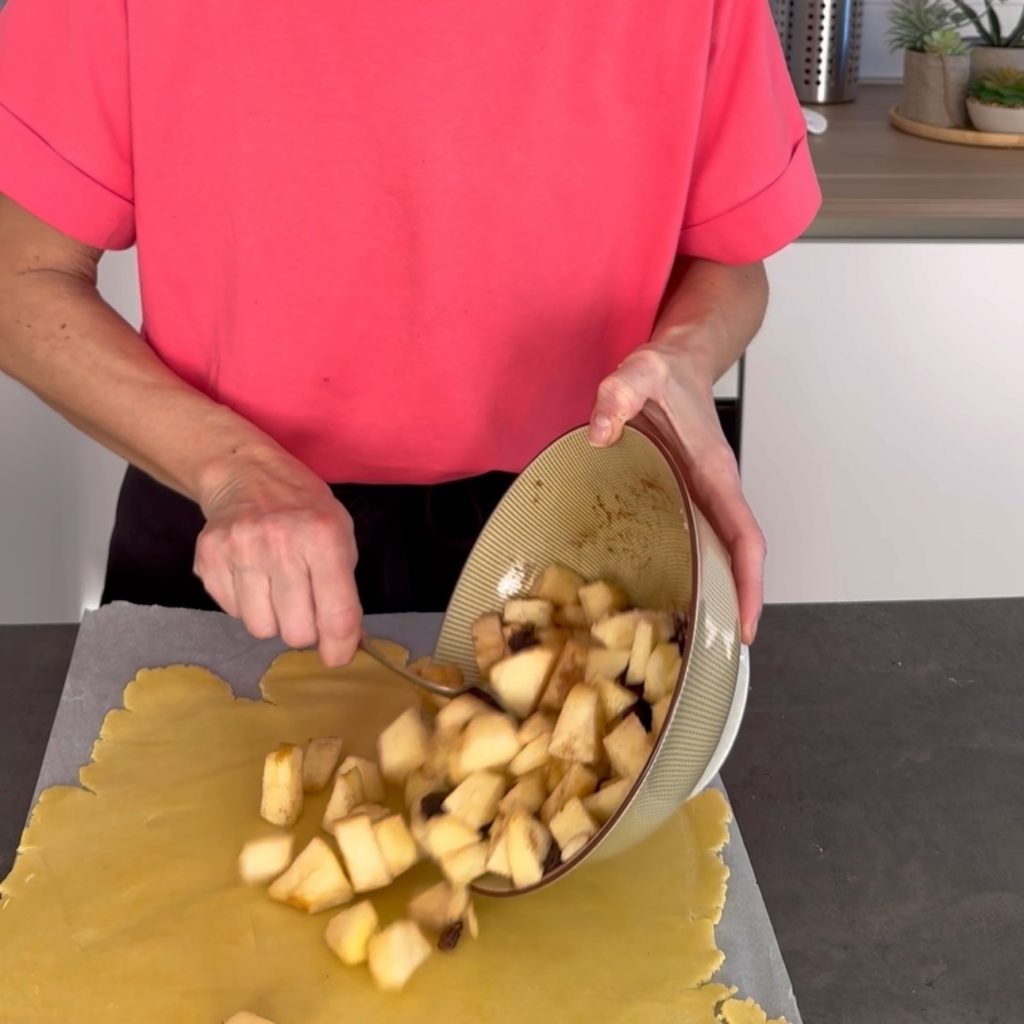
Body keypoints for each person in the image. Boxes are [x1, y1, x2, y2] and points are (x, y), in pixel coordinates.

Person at [0, 0, 820, 667]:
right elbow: (19, 277)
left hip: (583, 524)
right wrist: (232, 470)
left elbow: (731, 263)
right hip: (236, 522)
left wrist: (684, 352)